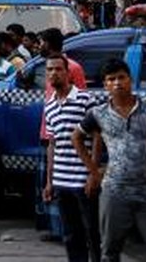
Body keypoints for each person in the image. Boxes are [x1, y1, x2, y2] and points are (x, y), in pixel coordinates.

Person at [75, 58, 146, 262]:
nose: (117, 83)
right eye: (111, 79)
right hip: (114, 191)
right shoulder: (98, 114)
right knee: (110, 251)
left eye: (122, 77)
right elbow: (75, 137)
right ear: (105, 85)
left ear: (130, 79)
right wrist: (94, 171)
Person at [43, 54, 100, 262]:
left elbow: (97, 137)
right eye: (49, 70)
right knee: (70, 234)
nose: (53, 73)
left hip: (83, 179)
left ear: (68, 73)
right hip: (61, 181)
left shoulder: (85, 99)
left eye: (58, 69)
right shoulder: (49, 105)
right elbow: (52, 144)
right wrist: (49, 182)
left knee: (93, 231)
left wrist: (93, 174)